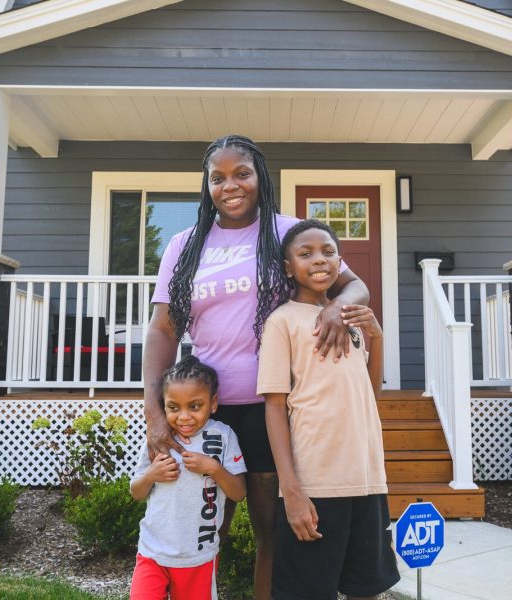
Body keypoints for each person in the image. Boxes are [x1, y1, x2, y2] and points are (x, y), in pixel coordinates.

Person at [143, 134, 370, 599]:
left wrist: (335, 307)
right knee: (203, 529)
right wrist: (153, 410)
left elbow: (355, 285)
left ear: (260, 177)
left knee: (271, 532)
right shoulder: (185, 245)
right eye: (218, 178)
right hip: (205, 412)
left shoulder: (288, 232)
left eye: (242, 174)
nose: (231, 186)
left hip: (276, 408)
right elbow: (163, 329)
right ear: (207, 185)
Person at [258, 219, 400, 600]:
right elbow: (274, 408)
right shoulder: (282, 322)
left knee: (366, 589)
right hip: (316, 484)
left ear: (340, 262)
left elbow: (368, 393)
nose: (319, 260)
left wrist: (376, 338)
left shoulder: (350, 319)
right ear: (289, 268)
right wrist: (291, 491)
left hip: (367, 480)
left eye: (328, 252)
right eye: (305, 254)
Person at [130, 355, 247, 600]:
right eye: (174, 408)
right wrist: (151, 475)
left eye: (195, 406)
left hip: (198, 557)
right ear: (164, 405)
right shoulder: (159, 439)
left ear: (213, 403)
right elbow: (136, 492)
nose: (184, 417)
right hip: (153, 552)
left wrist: (214, 468)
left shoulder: (224, 436)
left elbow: (238, 493)